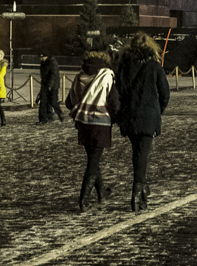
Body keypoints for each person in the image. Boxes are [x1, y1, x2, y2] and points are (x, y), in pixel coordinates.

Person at [113, 34, 171, 210]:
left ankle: (143, 187)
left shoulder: (123, 66)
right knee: (142, 154)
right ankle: (137, 192)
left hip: (129, 116)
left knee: (137, 153)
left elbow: (118, 92)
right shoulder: (154, 66)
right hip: (148, 116)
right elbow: (165, 94)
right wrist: (156, 111)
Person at [67, 53, 117, 212]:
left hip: (82, 123)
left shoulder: (79, 76)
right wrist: (113, 117)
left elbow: (69, 101)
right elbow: (114, 102)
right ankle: (84, 199)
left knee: (93, 159)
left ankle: (102, 192)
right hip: (100, 122)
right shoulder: (107, 75)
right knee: (93, 162)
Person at [37, 54, 65, 124]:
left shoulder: (53, 63)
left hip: (53, 86)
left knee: (53, 102)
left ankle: (60, 114)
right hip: (45, 85)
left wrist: (50, 85)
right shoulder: (43, 63)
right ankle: (43, 119)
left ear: (46, 56)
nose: (40, 59)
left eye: (41, 57)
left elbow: (54, 75)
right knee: (43, 102)